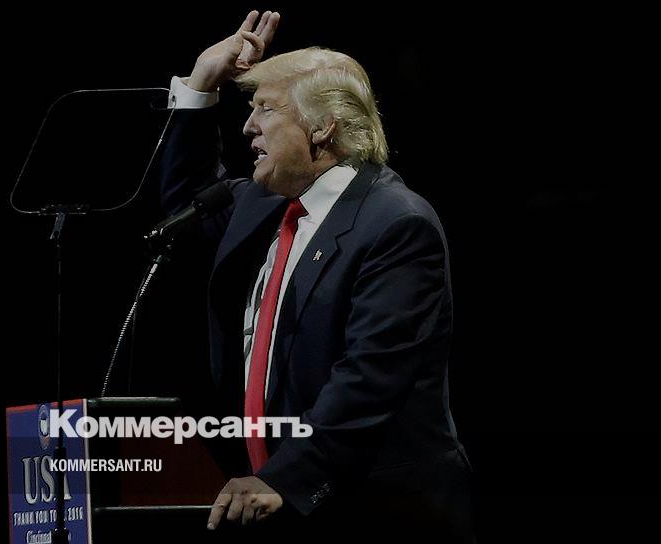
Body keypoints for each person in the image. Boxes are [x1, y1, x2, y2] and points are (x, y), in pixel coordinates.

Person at [161, 10, 473, 537]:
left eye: (265, 108)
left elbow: (368, 380)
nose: (248, 125)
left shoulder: (396, 224)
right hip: (279, 502)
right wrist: (200, 83)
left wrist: (282, 479)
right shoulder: (261, 207)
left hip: (377, 512)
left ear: (323, 125)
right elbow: (186, 210)